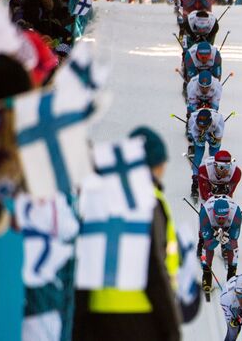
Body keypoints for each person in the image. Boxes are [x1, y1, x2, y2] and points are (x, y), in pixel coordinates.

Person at [73, 126, 182, 341]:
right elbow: (155, 266)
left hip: (96, 314)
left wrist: (79, 322)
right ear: (155, 167)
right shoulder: (149, 201)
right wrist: (171, 325)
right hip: (142, 314)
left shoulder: (96, 197)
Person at [200, 197, 242, 286]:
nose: (221, 220)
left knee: (232, 247)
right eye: (218, 218)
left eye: (224, 218)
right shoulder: (205, 214)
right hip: (209, 222)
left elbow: (234, 243)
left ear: (228, 214)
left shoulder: (236, 215)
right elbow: (208, 245)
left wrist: (227, 242)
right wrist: (215, 239)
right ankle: (206, 274)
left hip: (230, 224)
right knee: (207, 245)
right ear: (214, 214)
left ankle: (231, 275)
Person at [187, 108, 225, 196]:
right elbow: (198, 140)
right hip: (200, 133)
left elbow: (217, 141)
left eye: (204, 126)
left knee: (215, 156)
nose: (201, 128)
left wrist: (214, 139)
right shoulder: (192, 120)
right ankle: (195, 180)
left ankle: (216, 178)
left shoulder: (219, 120)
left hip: (214, 131)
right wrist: (200, 138)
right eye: (200, 126)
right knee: (198, 155)